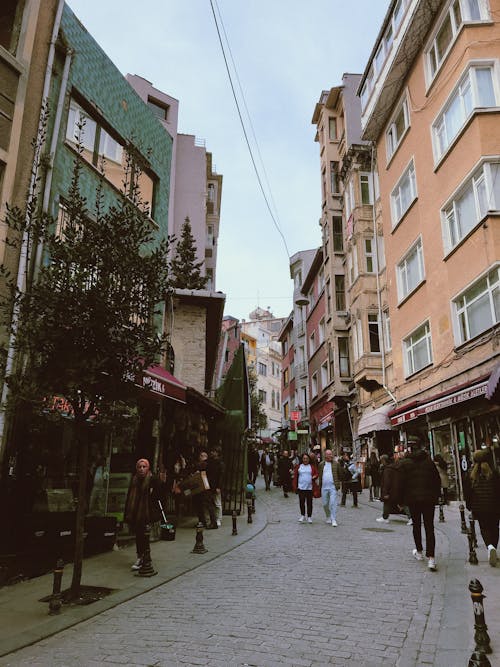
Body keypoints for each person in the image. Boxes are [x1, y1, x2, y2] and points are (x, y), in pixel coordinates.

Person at [399, 440, 441, 571]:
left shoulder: (406, 464)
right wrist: (436, 496)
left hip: (413, 500)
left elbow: (402, 483)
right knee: (429, 527)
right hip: (428, 500)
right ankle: (431, 558)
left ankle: (419, 551)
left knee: (416, 526)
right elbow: (437, 480)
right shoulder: (429, 463)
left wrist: (401, 500)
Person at [124, 458, 165, 571]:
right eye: (139, 467)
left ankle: (145, 558)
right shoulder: (134, 480)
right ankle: (141, 557)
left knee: (145, 536)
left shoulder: (153, 479)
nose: (141, 469)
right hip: (136, 512)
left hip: (148, 512)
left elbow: (159, 495)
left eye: (144, 467)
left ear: (148, 468)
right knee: (139, 535)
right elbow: (129, 498)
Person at [463, 449, 500, 567]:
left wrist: (469, 506)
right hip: (494, 506)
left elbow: (467, 493)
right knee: (494, 527)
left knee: (484, 528)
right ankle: (493, 547)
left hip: (479, 507)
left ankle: (489, 547)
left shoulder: (470, 475)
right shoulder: (493, 473)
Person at [375, 455, 411, 524]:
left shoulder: (388, 469)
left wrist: (385, 492)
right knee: (402, 503)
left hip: (391, 489)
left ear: (384, 461)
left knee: (387, 503)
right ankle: (411, 518)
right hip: (398, 488)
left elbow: (387, 482)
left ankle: (385, 517)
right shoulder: (397, 467)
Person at [192, 450, 218, 529]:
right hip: (203, 487)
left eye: (202, 456)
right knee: (200, 504)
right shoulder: (205, 464)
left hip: (206, 487)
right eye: (201, 455)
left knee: (208, 504)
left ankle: (213, 522)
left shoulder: (205, 464)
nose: (201, 457)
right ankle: (203, 521)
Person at [318, 449, 343, 526]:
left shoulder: (336, 464)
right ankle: (328, 516)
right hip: (324, 487)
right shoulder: (321, 464)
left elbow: (340, 474)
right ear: (325, 455)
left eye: (331, 454)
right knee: (325, 504)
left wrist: (338, 483)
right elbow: (320, 475)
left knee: (333, 503)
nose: (330, 456)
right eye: (328, 454)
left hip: (333, 487)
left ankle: (333, 519)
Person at [292, 452, 319, 523]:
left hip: (309, 488)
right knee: (301, 502)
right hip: (301, 487)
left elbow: (316, 473)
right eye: (304, 458)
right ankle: (302, 515)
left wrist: (314, 476)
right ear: (302, 459)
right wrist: (295, 486)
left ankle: (309, 516)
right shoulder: (299, 466)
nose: (305, 460)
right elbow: (295, 476)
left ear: (309, 459)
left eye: (307, 458)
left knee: (309, 503)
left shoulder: (312, 467)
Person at [207, 446, 224, 527]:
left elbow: (220, 476)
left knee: (217, 503)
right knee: (212, 502)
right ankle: (213, 519)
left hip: (215, 485)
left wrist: (218, 486)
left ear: (217, 453)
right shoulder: (211, 462)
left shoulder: (220, 463)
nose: (211, 453)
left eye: (213, 451)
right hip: (210, 485)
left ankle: (218, 519)